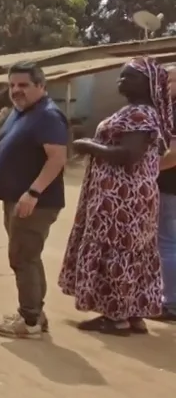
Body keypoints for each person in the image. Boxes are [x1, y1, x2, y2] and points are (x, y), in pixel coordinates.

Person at [59, 57, 170, 335]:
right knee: (132, 252)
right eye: (121, 76)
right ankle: (132, 314)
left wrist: (89, 145)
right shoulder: (142, 112)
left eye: (129, 77)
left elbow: (128, 155)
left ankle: (115, 317)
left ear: (149, 83)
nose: (122, 81)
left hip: (122, 197)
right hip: (131, 195)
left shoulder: (139, 114)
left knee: (116, 250)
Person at [0, 62, 68, 339]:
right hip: (17, 199)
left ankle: (29, 322)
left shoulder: (48, 116)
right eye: (12, 85)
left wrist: (33, 193)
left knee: (23, 258)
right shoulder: (21, 113)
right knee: (28, 257)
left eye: (23, 85)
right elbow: (14, 153)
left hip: (35, 203)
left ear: (41, 86)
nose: (16, 90)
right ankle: (34, 314)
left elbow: (57, 158)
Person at [157, 147, 176, 322]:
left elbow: (174, 153)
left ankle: (171, 303)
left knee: (167, 244)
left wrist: (148, 167)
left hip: (170, 188)